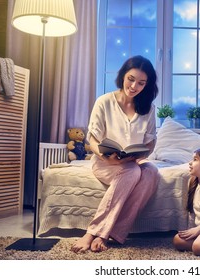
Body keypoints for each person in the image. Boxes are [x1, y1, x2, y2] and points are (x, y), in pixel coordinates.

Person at [71, 55, 159, 253]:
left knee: (151, 171)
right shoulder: (104, 102)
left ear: (147, 85)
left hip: (131, 162)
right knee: (132, 172)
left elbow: (151, 141)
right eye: (131, 79)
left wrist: (139, 156)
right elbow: (92, 139)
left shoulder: (149, 108)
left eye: (141, 83)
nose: (134, 86)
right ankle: (95, 232)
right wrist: (104, 156)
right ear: (123, 76)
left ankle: (115, 232)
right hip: (104, 162)